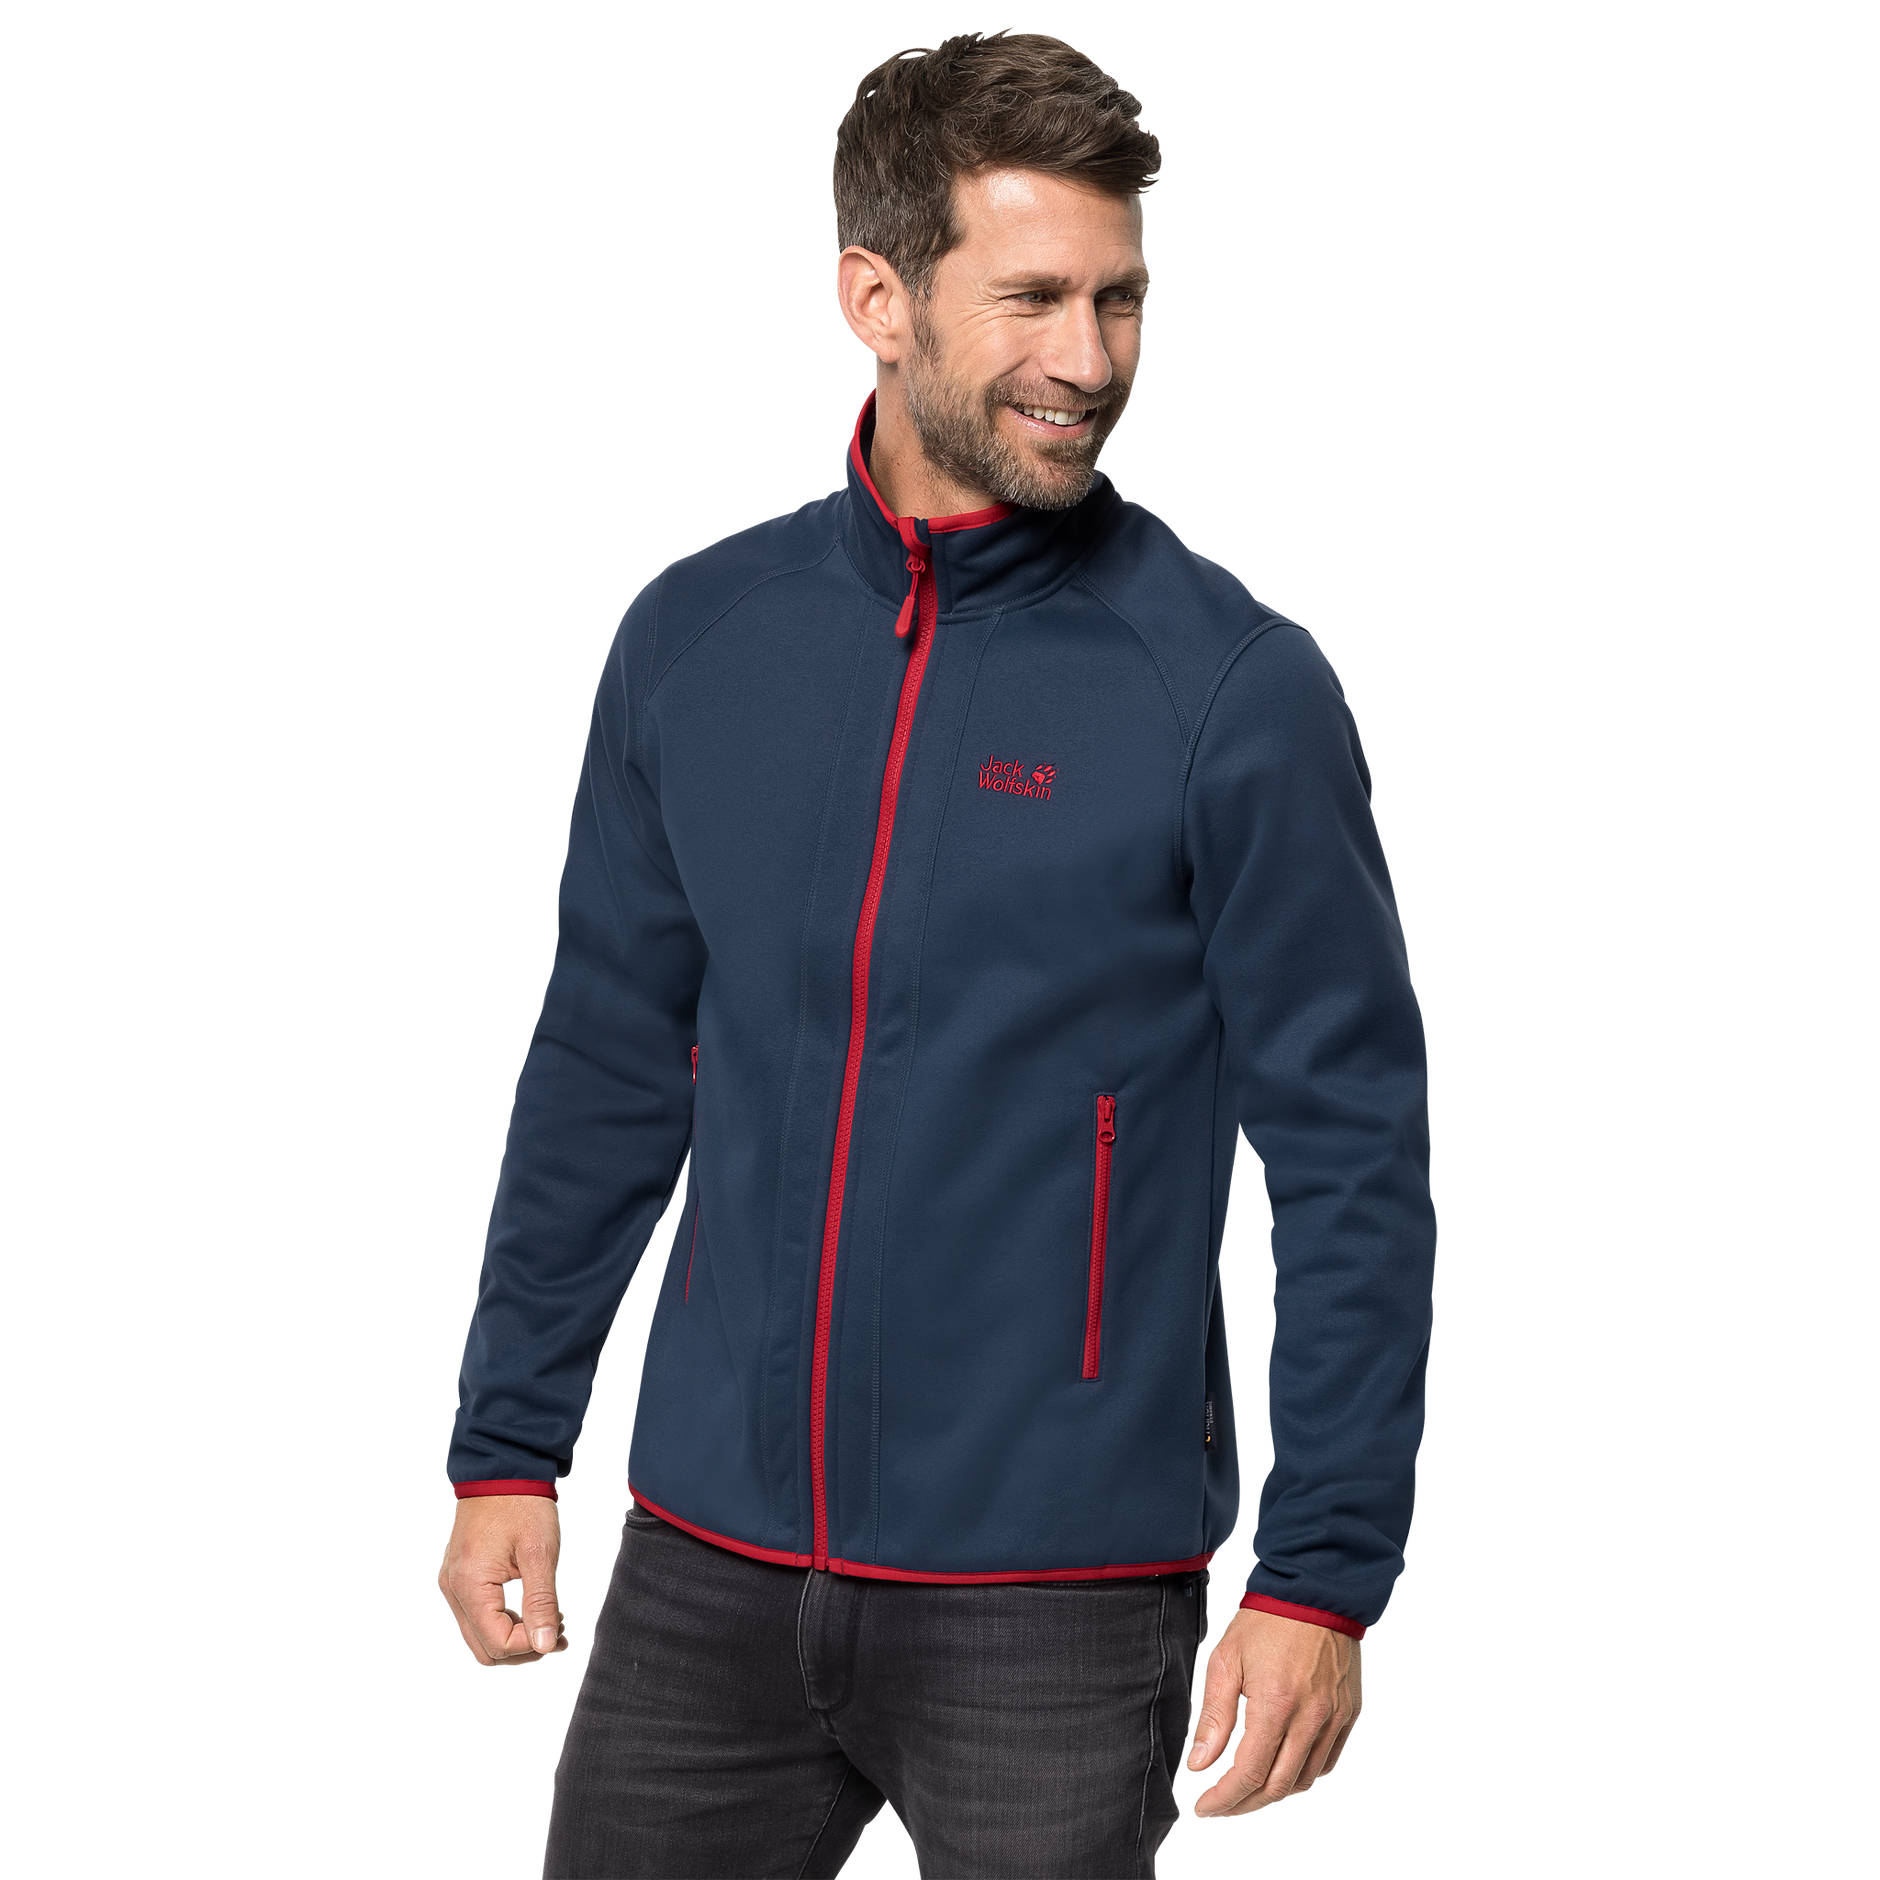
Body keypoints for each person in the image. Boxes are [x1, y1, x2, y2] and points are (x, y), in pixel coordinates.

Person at [434, 27, 1437, 1878]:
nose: (1091, 360)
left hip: (1059, 1602)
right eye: (1033, 298)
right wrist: (507, 1445)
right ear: (875, 299)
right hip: (705, 1566)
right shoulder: (697, 638)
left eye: (1122, 299)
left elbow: (1354, 1156)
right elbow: (602, 1063)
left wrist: (1321, 1581)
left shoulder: (1235, 689)